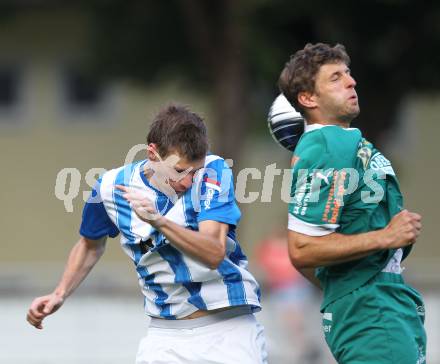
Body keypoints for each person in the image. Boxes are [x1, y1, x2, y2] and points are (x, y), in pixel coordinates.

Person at [26, 104, 267, 364]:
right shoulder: (109, 187)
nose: (187, 181)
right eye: (179, 171)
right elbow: (90, 244)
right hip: (165, 337)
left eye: (194, 172)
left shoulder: (213, 171)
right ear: (152, 154)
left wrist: (158, 221)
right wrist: (60, 293)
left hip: (228, 331)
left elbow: (213, 252)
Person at [278, 43, 426, 364]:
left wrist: (340, 283)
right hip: (372, 311)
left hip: (381, 301)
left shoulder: (343, 141)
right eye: (335, 78)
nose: (350, 81)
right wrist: (386, 238)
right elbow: (301, 249)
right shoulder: (325, 143)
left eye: (348, 73)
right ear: (308, 98)